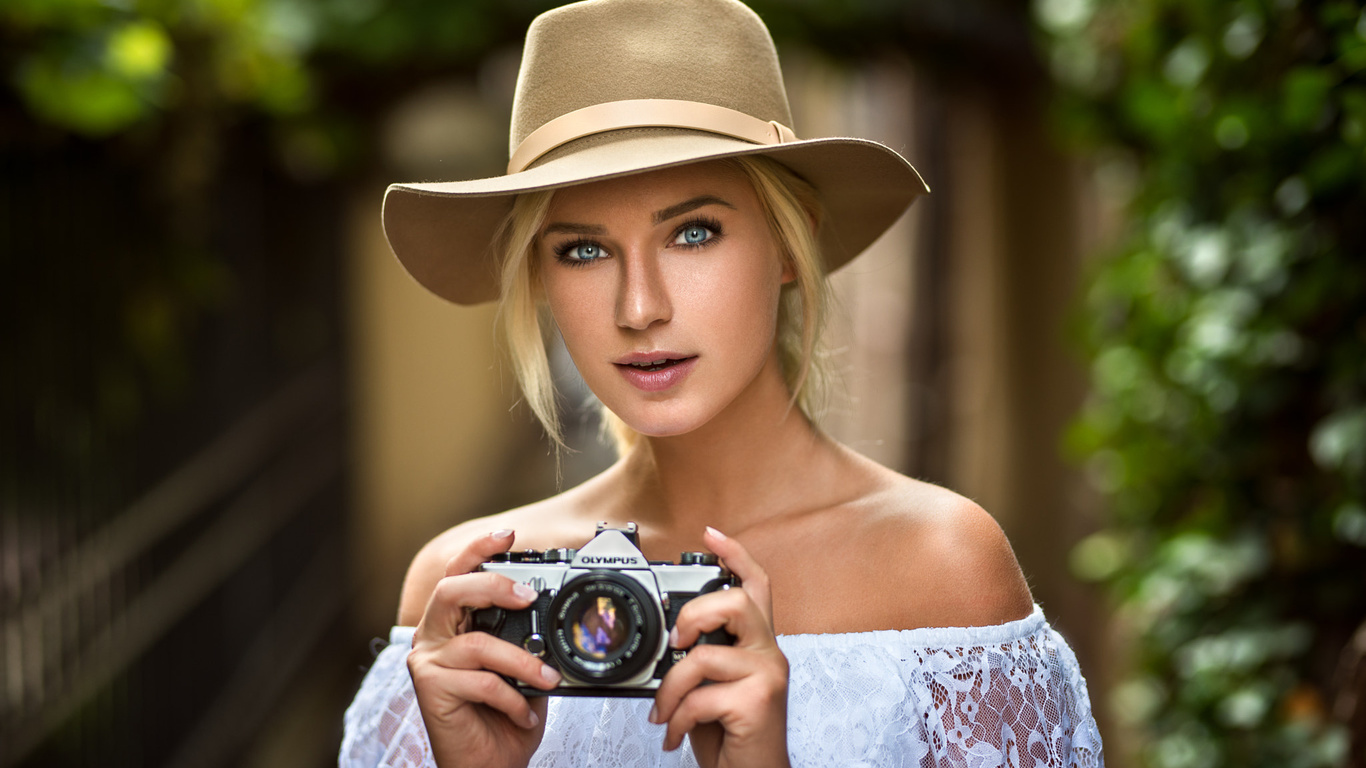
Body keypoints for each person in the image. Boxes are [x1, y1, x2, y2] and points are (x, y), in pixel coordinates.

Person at [340, 0, 1105, 766]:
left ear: (787, 241)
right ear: (538, 275)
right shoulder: (471, 597)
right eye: (581, 250)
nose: (640, 308)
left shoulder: (938, 568)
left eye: (693, 233)